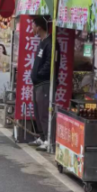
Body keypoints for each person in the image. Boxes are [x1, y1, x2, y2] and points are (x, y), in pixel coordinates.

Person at [29, 17, 59, 151]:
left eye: (33, 26)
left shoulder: (51, 43)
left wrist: (39, 74)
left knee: (44, 112)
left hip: (45, 83)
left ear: (39, 27)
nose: (32, 28)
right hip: (38, 84)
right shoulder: (42, 42)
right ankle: (41, 136)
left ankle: (48, 139)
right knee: (38, 111)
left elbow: (50, 63)